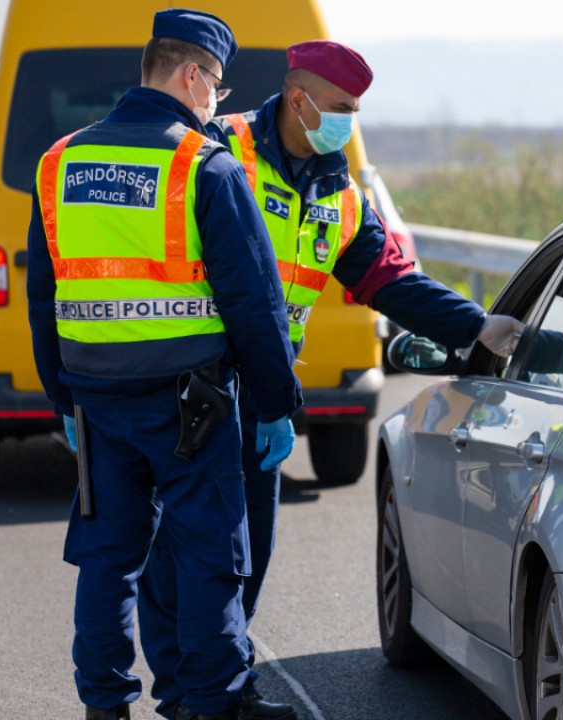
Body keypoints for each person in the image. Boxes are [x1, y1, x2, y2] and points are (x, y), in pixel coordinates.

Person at [136, 39, 524, 716]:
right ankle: (194, 694)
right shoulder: (218, 152)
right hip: (192, 383)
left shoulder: (337, 193)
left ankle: (213, 684)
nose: (348, 120)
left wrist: (475, 327)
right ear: (298, 100)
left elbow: (388, 279)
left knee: (245, 552)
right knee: (183, 552)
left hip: (264, 393)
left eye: (355, 109)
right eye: (341, 106)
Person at [26, 10, 303, 720]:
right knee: (211, 556)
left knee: (106, 559)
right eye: (216, 85)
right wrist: (275, 403)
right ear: (191, 75)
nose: (218, 101)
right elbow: (254, 301)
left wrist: (63, 397)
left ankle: (105, 706)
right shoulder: (202, 165)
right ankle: (213, 704)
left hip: (94, 396)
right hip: (192, 407)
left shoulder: (59, 162)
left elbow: (44, 291)